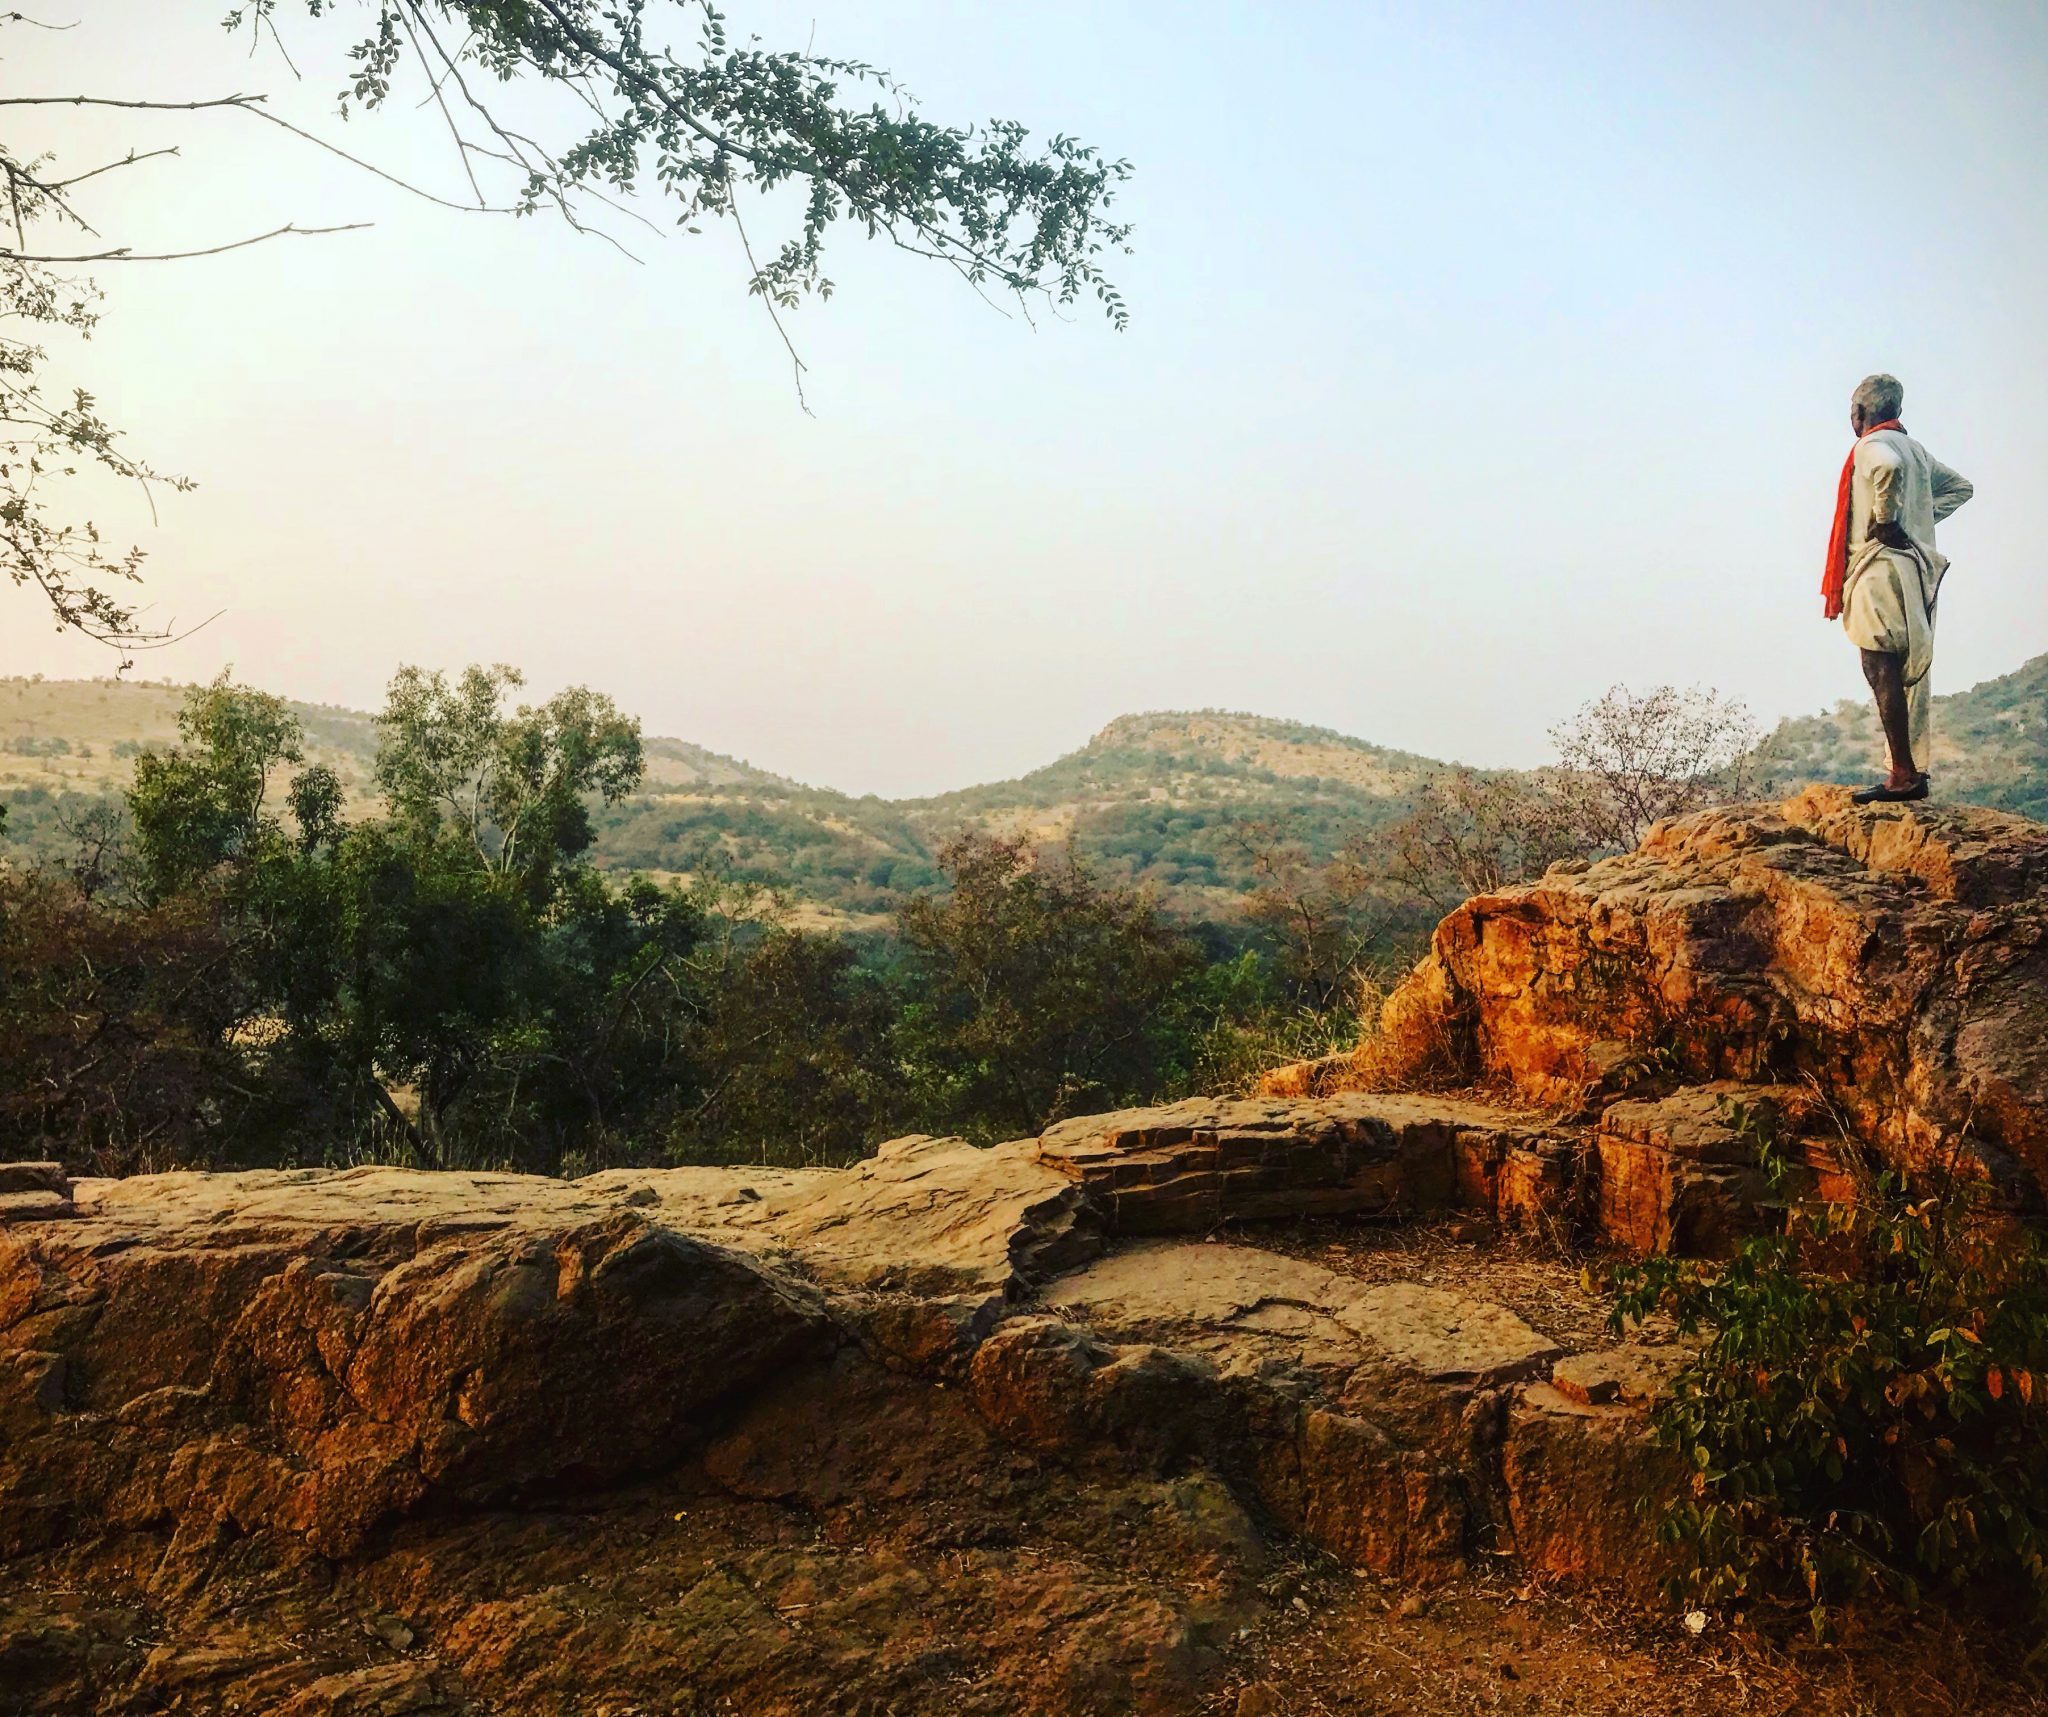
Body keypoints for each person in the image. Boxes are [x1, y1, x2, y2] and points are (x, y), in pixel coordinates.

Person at [1822, 373, 1973, 804]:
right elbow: (1962, 488)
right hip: (1915, 568)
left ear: (1862, 412)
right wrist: (1916, 523)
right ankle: (1909, 770)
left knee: (1879, 663)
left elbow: (1887, 468)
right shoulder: (1917, 450)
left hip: (1879, 566)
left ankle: (1903, 774)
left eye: (1852, 409)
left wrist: (1887, 521)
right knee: (1908, 671)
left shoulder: (1872, 447)